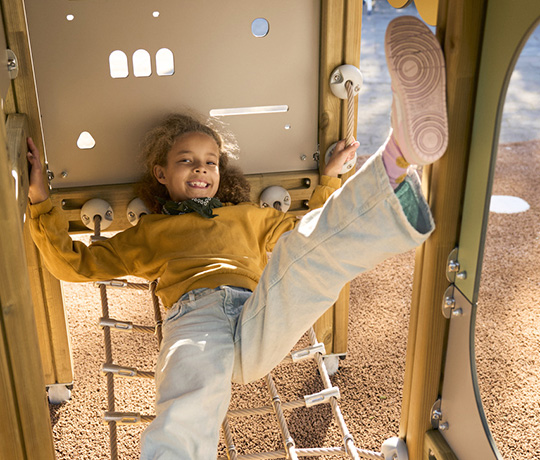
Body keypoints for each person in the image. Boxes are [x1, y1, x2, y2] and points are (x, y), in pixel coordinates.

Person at [26, 15, 447, 460]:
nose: (200, 168)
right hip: (196, 320)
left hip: (258, 312)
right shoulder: (151, 232)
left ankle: (396, 163)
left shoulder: (248, 216)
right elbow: (77, 263)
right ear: (160, 173)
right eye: (186, 159)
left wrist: (326, 179)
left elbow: (309, 233)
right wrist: (40, 203)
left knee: (305, 260)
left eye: (210, 161)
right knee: (187, 408)